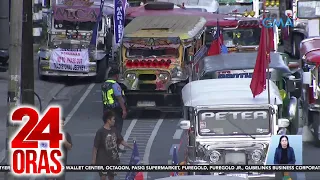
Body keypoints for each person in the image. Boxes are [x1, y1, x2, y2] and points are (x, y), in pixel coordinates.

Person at [92, 110, 133, 180]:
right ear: (108, 120)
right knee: (103, 177)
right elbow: (95, 147)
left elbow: (121, 140)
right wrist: (93, 160)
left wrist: (130, 146)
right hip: (102, 160)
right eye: (113, 119)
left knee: (111, 177)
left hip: (113, 159)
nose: (114, 121)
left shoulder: (114, 130)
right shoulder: (100, 132)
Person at [101, 68, 127, 135]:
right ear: (116, 75)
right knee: (117, 128)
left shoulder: (104, 84)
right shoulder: (114, 85)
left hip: (106, 109)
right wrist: (124, 110)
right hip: (115, 110)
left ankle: (108, 142)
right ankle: (115, 143)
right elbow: (119, 98)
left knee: (108, 128)